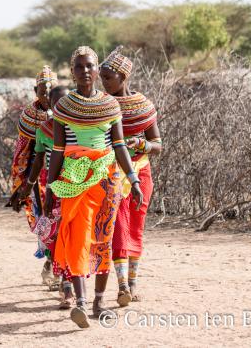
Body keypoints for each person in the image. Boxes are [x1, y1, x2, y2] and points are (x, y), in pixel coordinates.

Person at [44, 46, 143, 328]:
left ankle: (99, 301)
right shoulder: (64, 107)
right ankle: (81, 303)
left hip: (106, 180)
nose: (85, 71)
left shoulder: (111, 106)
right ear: (72, 71)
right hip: (74, 180)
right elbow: (59, 149)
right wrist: (51, 187)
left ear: (97, 69)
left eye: (90, 66)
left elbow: (120, 145)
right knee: (77, 237)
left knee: (103, 237)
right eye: (79, 67)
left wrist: (132, 180)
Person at [100, 47, 162, 307]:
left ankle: (132, 282)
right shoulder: (101, 105)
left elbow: (157, 144)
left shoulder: (143, 106)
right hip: (109, 172)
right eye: (101, 77)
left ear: (123, 77)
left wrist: (141, 144)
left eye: (108, 78)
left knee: (135, 226)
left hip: (140, 172)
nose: (103, 82)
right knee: (116, 228)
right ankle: (123, 284)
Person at [19, 85, 73, 305]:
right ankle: (59, 275)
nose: (60, 106)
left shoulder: (78, 128)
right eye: (56, 102)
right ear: (49, 105)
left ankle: (66, 285)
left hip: (75, 186)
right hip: (49, 187)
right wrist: (28, 185)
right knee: (52, 233)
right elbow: (39, 160)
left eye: (65, 102)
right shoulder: (44, 130)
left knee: (71, 234)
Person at [7, 65, 56, 286]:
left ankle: (55, 267)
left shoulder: (67, 111)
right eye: (42, 92)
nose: (46, 97)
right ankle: (51, 264)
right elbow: (23, 153)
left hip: (67, 175)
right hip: (39, 179)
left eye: (50, 92)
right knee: (46, 221)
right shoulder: (29, 116)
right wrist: (23, 185)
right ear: (36, 90)